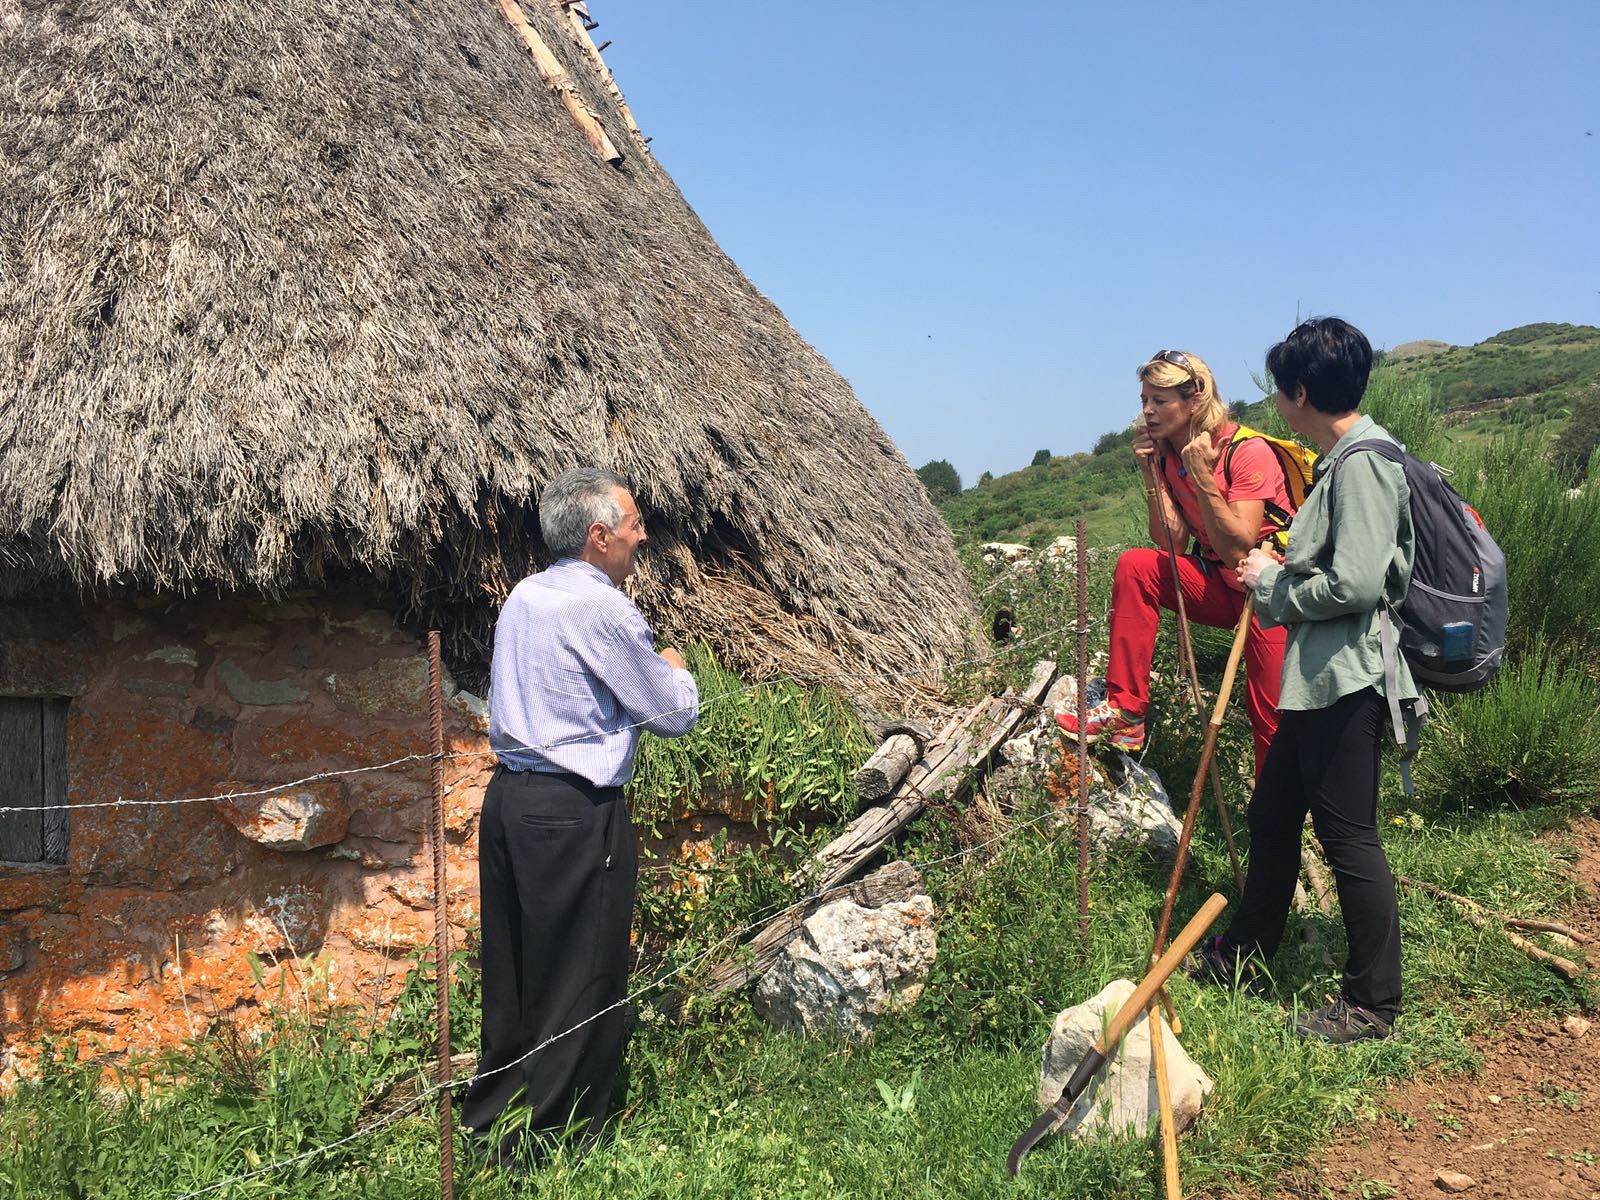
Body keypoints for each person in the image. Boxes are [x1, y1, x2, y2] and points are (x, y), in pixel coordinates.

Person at [463, 466, 700, 1160]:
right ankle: (556, 1140)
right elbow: (669, 713)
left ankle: (492, 1126)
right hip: (571, 807)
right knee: (582, 970)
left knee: (515, 972)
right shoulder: (601, 608)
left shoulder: (525, 597)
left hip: (509, 798)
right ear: (598, 536)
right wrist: (676, 666)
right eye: (632, 524)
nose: (641, 535)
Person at [1193, 317, 1415, 1044]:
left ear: (1299, 392)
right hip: (1317, 681)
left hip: (1350, 678)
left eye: (1279, 391)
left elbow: (1354, 586)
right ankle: (1247, 953)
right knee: (1272, 814)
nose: (1276, 403)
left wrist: (1271, 585)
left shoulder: (1365, 464)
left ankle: (1372, 1004)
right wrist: (1285, 570)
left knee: (1349, 838)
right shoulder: (1339, 461)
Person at [1057, 349, 1293, 778]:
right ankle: (1125, 709)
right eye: (1144, 399)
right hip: (1222, 585)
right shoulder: (1169, 455)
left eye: (1159, 400)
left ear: (1195, 400)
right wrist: (1151, 475)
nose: (1147, 411)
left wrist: (1202, 475)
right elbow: (1175, 542)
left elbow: (1241, 549)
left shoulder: (1247, 451)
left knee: (1271, 717)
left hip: (1272, 592)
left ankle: (1277, 823)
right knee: (1137, 565)